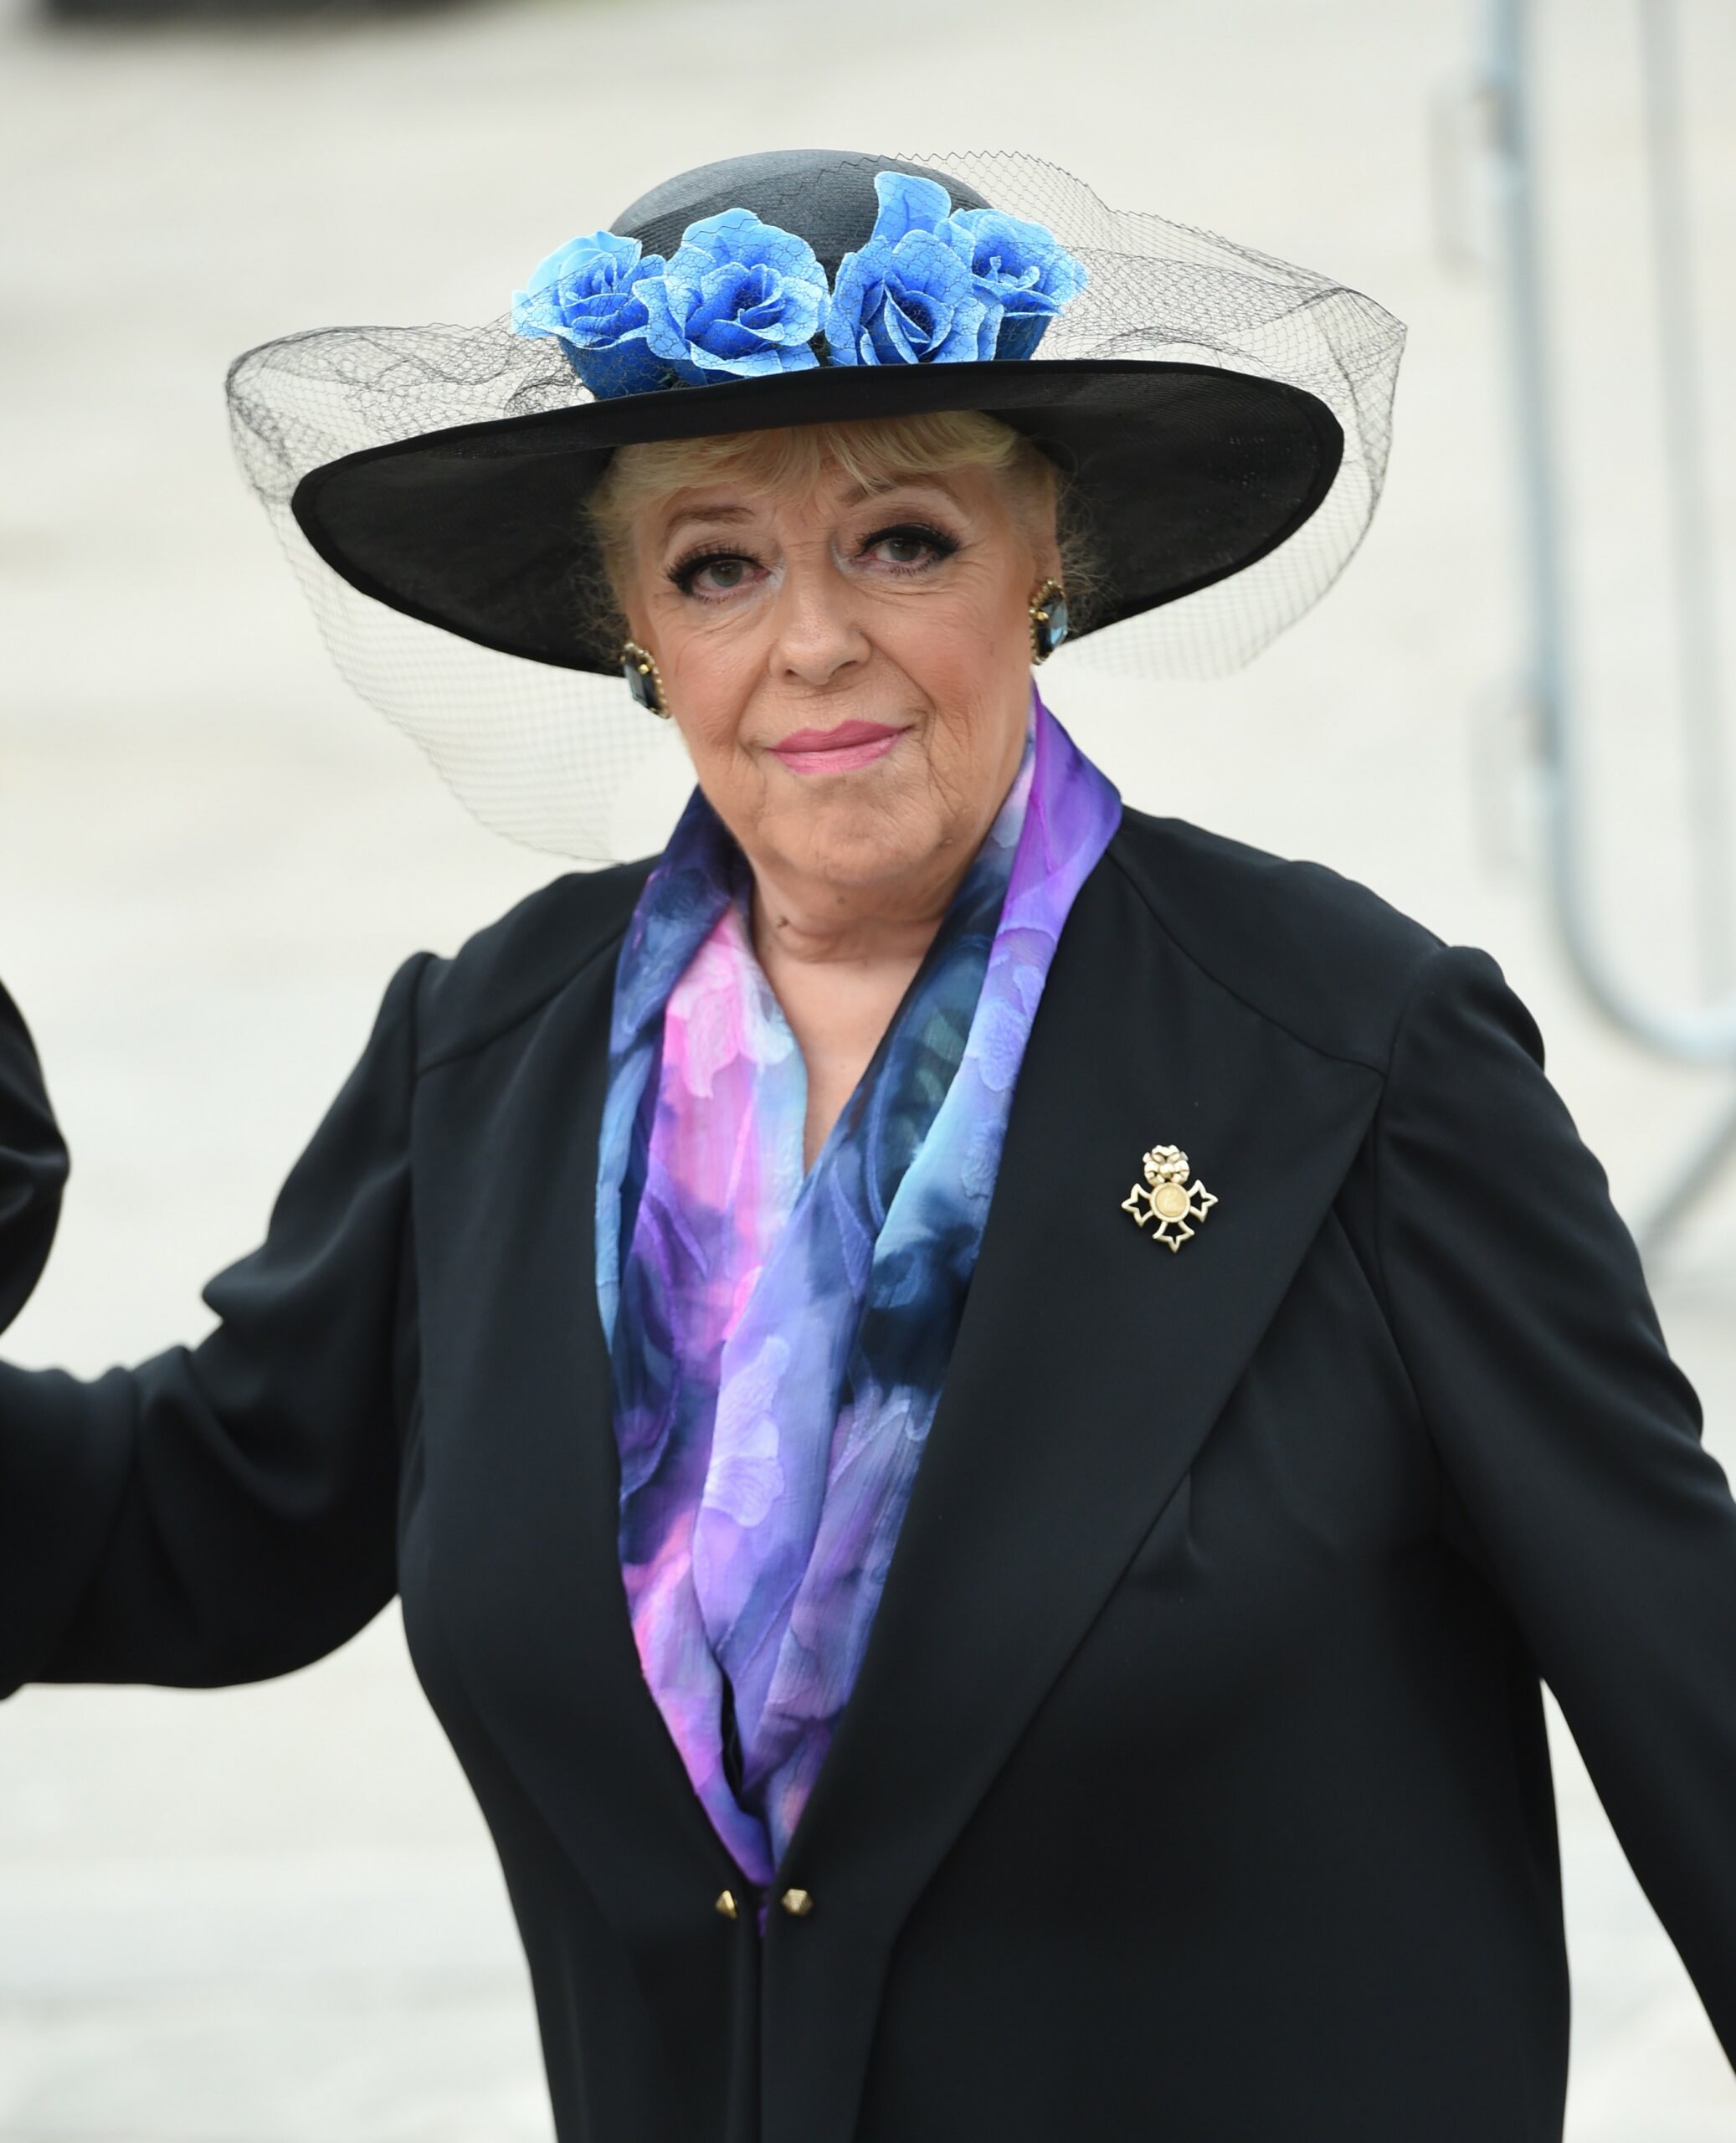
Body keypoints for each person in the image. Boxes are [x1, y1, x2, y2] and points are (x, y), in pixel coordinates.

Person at [4, 148, 1734, 2143]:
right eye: (717, 565)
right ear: (636, 635)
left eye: (900, 540)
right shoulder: (489, 1052)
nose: (811, 640)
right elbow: (193, 1522)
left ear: (1044, 567)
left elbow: (1683, 1672)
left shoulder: (1348, 1058)